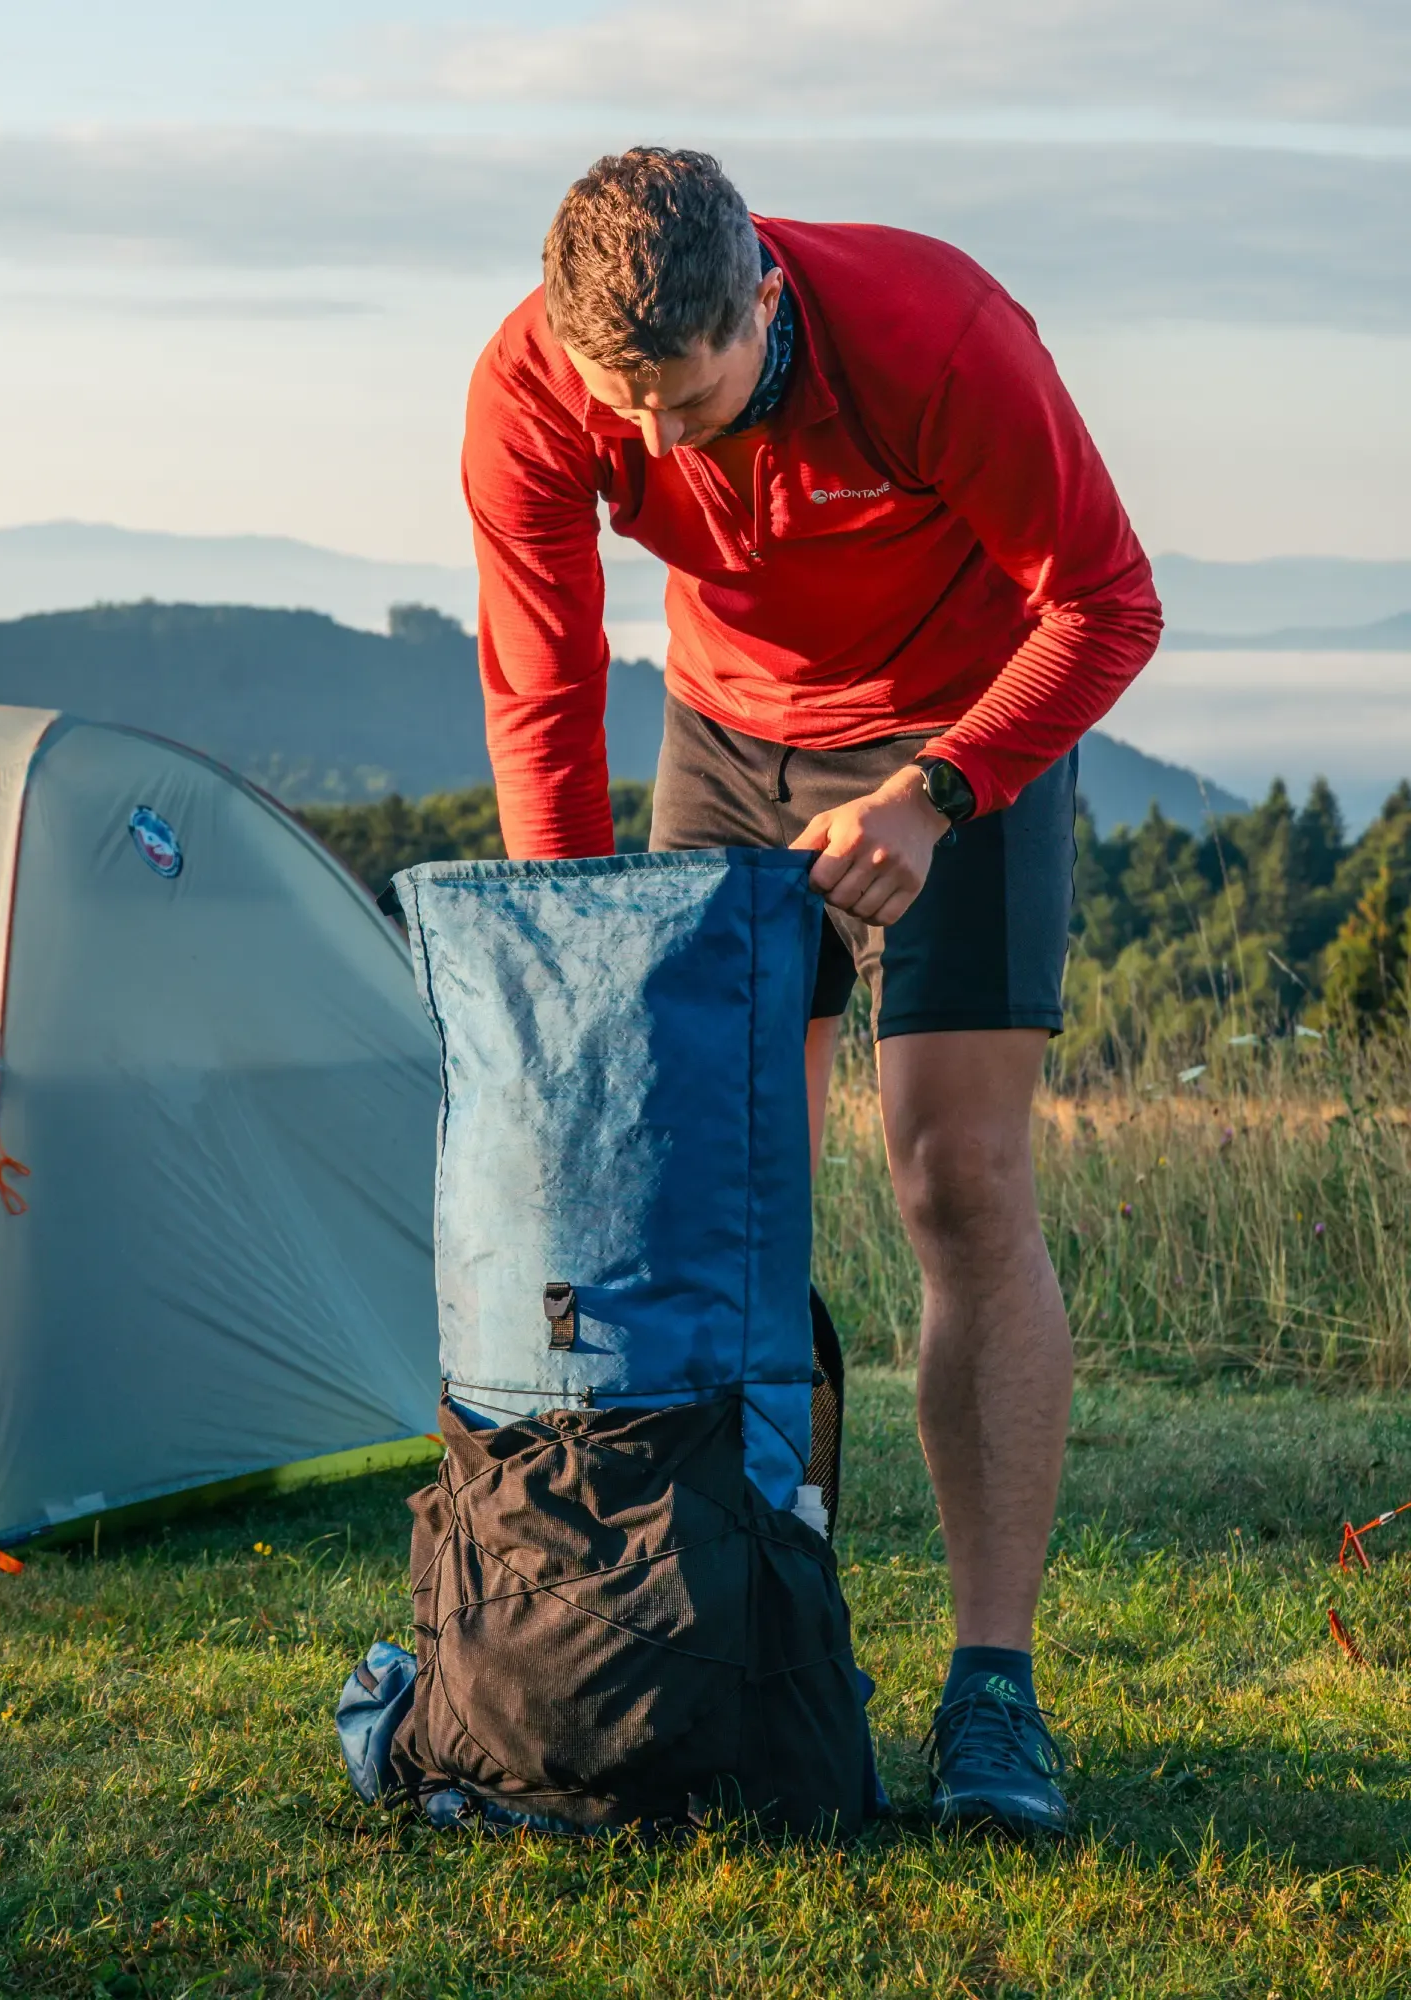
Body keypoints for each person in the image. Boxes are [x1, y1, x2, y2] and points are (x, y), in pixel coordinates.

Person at [461, 147, 1163, 1835]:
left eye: (689, 406)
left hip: (959, 723)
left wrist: (936, 792)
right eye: (624, 407)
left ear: (763, 299)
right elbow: (545, 680)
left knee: (956, 1180)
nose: (655, 445)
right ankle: (748, 1630)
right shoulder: (537, 387)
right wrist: (576, 963)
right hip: (725, 741)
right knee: (710, 1206)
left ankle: (993, 1687)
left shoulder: (936, 338)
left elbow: (1108, 605)